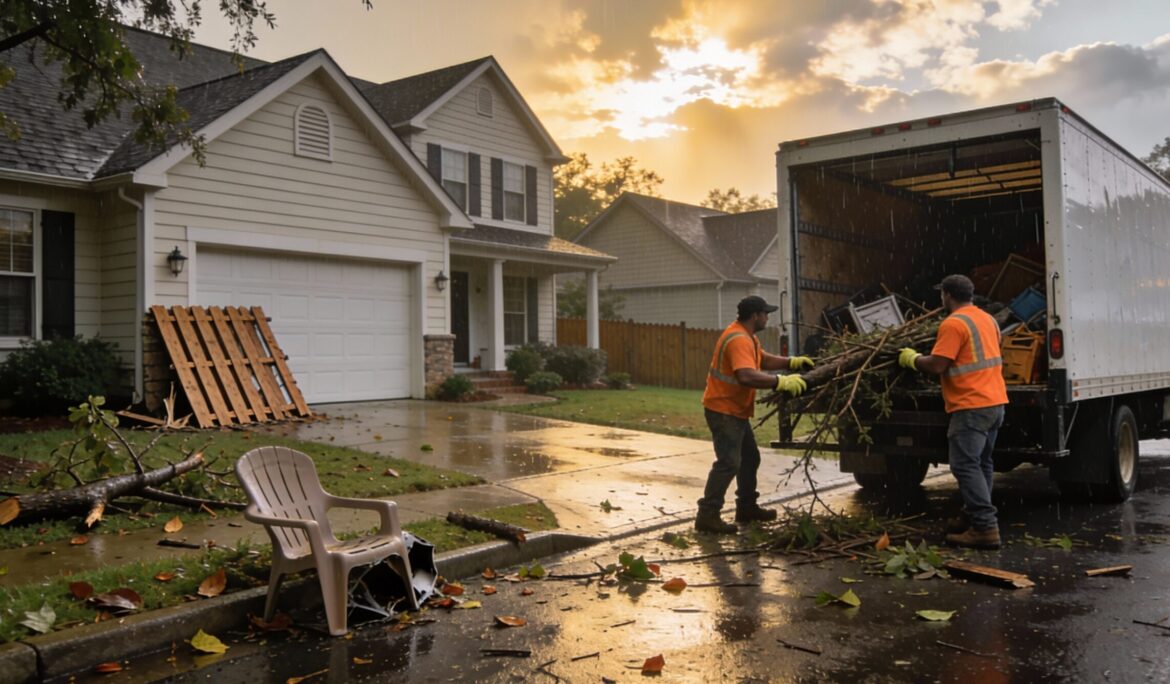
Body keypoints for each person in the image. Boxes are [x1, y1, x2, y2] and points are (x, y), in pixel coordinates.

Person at [899, 274, 1008, 549]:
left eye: (942, 294)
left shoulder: (954, 324)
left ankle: (985, 528)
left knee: (964, 465)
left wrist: (911, 359)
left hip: (971, 405)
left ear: (947, 295)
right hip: (995, 403)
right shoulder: (989, 319)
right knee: (982, 463)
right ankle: (973, 517)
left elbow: (937, 365)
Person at [695, 295, 812, 534]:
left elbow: (763, 360)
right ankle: (707, 515)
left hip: (732, 409)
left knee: (749, 458)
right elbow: (746, 375)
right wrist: (780, 382)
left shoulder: (747, 337)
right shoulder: (738, 339)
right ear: (755, 315)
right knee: (729, 462)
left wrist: (792, 362)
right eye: (765, 313)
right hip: (724, 409)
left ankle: (746, 508)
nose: (768, 317)